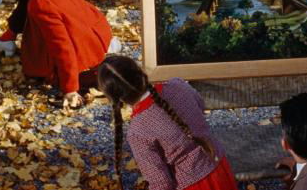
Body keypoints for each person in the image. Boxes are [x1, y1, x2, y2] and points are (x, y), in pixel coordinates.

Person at [97, 54, 237, 190]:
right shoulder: (177, 84)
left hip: (191, 184)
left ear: (116, 98)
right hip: (219, 165)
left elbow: (161, 183)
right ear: (140, 71)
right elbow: (200, 105)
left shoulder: (137, 131)